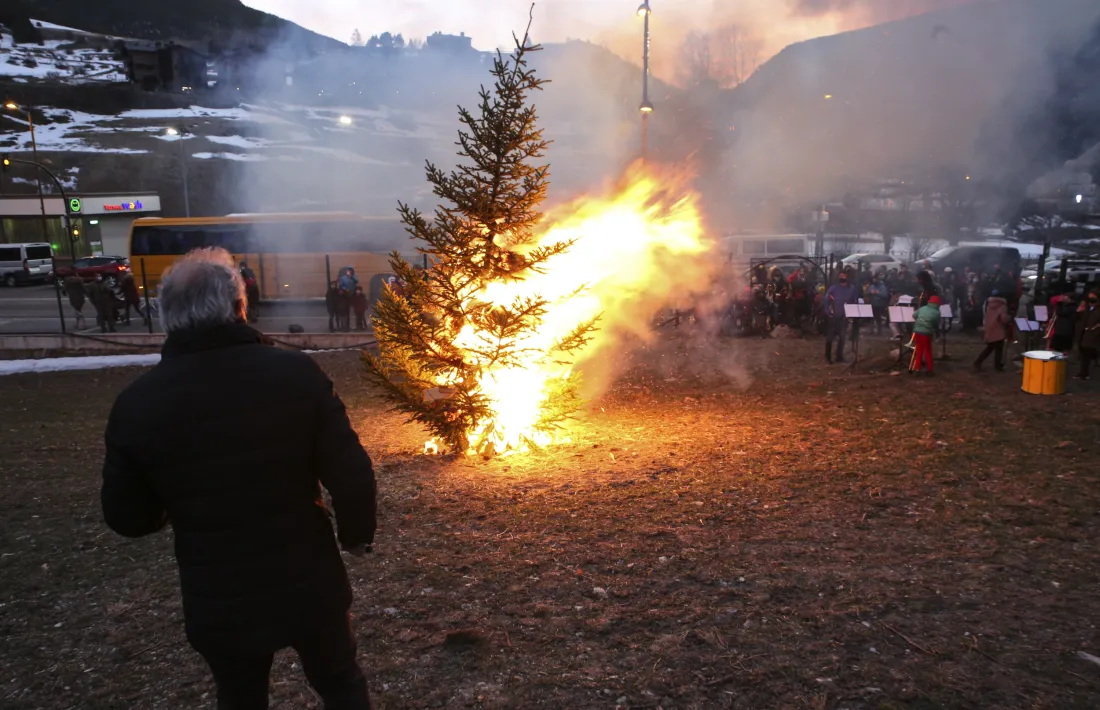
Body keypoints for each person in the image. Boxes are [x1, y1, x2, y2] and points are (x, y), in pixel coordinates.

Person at [100, 248, 377, 709]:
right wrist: (355, 535)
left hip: (217, 594)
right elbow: (351, 473)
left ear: (168, 316)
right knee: (340, 681)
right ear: (238, 305)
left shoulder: (137, 404)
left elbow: (127, 516)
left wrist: (173, 505)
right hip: (307, 579)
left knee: (239, 693)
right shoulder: (295, 374)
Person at [824, 271, 858, 364]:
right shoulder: (833, 288)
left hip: (844, 317)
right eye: (840, 276)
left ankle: (839, 356)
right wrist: (828, 312)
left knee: (842, 338)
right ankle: (828, 357)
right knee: (830, 338)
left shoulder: (851, 289)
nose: (842, 278)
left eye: (844, 276)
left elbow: (854, 302)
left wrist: (849, 315)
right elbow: (826, 299)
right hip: (833, 316)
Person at [974, 289, 1009, 372]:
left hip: (990, 327)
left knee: (990, 347)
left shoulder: (989, 304)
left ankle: (979, 362)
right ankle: (996, 365)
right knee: (998, 349)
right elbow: (1003, 319)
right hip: (998, 329)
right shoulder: (1002, 306)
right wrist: (1009, 318)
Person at [911, 295, 942, 375]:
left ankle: (917, 369)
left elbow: (914, 315)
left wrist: (920, 321)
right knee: (928, 351)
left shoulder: (923, 308)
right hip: (927, 333)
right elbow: (936, 324)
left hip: (917, 331)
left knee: (919, 351)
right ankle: (929, 369)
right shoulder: (936, 312)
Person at [1075, 290, 1100, 380]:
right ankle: (1083, 372)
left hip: (1092, 335)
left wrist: (1094, 328)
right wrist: (1079, 311)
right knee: (1083, 354)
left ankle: (1084, 373)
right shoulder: (1087, 309)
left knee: (1086, 354)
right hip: (1083, 333)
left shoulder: (1097, 310)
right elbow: (1079, 318)